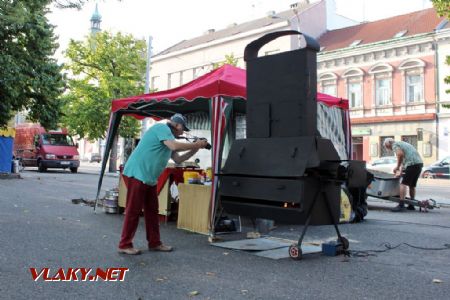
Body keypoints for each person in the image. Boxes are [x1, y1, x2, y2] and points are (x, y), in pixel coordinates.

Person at [118, 113, 208, 255]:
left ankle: (154, 243)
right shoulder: (162, 128)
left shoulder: (168, 139)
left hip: (149, 177)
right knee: (133, 210)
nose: (183, 132)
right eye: (182, 129)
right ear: (177, 125)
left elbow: (178, 159)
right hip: (138, 173)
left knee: (152, 211)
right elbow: (173, 146)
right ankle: (124, 244)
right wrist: (196, 143)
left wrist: (195, 148)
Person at [383, 138, 423, 212]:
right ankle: (411, 205)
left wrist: (397, 167)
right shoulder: (402, 144)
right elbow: (404, 159)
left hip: (411, 164)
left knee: (403, 184)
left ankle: (401, 205)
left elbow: (400, 155)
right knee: (412, 185)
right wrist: (400, 171)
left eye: (386, 146)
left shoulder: (395, 145)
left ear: (389, 143)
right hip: (418, 164)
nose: (388, 148)